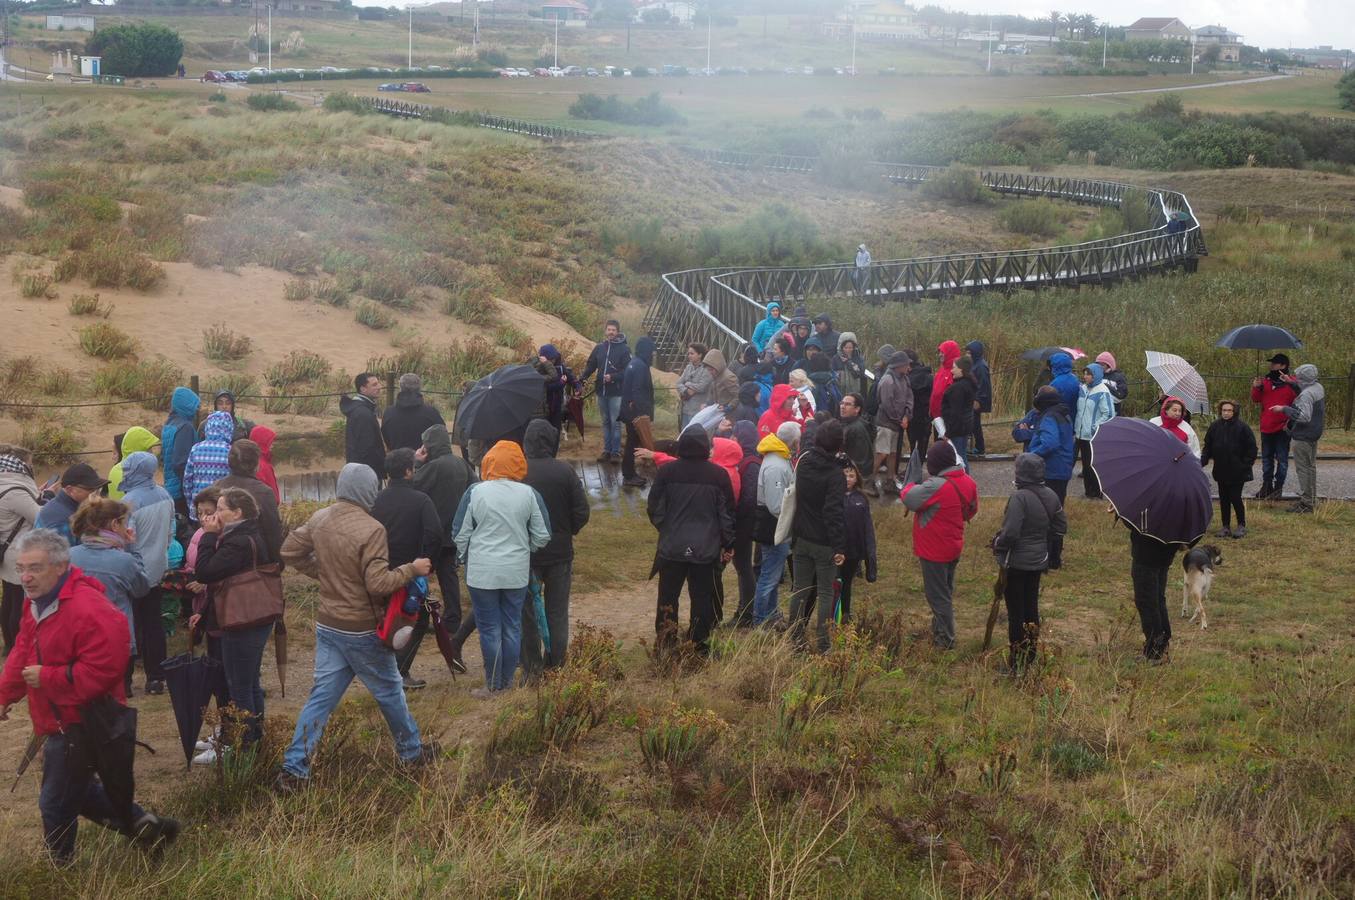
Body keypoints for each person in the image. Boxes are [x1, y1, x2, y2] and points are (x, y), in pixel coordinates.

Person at [0, 529, 179, 864]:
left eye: (35, 568)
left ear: (61, 566)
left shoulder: (91, 609)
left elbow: (104, 671)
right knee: (75, 792)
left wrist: (47, 677)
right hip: (56, 717)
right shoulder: (36, 603)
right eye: (21, 567)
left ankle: (59, 871)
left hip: (84, 720)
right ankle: (147, 827)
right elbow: (24, 648)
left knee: (54, 802)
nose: (25, 577)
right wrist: (5, 694)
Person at [276, 464, 436, 792]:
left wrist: (322, 574)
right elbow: (378, 584)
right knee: (391, 692)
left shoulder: (321, 518)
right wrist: (412, 568)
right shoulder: (372, 529)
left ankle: (294, 770)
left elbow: (289, 551)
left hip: (329, 624)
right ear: (369, 490)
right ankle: (412, 754)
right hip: (362, 629)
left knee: (321, 698)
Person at [452, 441, 550, 695]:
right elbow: (542, 535)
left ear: (488, 463)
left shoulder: (475, 492)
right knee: (512, 626)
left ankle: (493, 684)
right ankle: (506, 683)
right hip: (515, 572)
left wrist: (465, 557)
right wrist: (523, 548)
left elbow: (460, 533)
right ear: (520, 464)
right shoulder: (529, 494)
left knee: (489, 629)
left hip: (482, 573)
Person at [192, 487, 275, 746]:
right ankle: (254, 739)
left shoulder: (237, 542)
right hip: (254, 617)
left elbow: (205, 572)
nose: (214, 515)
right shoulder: (247, 534)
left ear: (237, 513)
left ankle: (245, 745)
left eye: (220, 509)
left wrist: (208, 536)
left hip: (242, 620)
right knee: (249, 683)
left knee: (240, 686)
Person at [646, 429, 734, 656]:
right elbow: (727, 515)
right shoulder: (718, 475)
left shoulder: (667, 471)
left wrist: (666, 528)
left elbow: (654, 507)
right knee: (702, 597)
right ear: (706, 446)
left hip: (672, 546)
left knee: (667, 596)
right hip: (705, 548)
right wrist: (727, 543)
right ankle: (698, 644)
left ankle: (666, 643)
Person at [521, 421, 590, 674]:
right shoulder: (565, 471)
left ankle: (532, 668)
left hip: (526, 553)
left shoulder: (518, 471)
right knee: (557, 611)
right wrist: (567, 531)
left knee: (527, 614)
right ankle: (557, 665)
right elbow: (582, 511)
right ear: (552, 442)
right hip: (560, 552)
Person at [371, 449, 443, 690]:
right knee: (416, 620)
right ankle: (400, 672)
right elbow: (435, 533)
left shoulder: (377, 499)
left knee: (384, 619)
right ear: (408, 472)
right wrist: (427, 561)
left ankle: (385, 670)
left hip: (380, 569)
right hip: (411, 571)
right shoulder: (421, 500)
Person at [900, 442, 979, 651]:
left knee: (938, 596)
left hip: (935, 549)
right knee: (945, 591)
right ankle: (938, 631)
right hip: (954, 545)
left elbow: (908, 497)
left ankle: (945, 640)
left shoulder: (936, 486)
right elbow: (971, 510)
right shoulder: (968, 481)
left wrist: (909, 482)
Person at [992, 453, 1067, 674]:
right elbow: (1061, 527)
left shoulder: (1019, 498)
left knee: (1016, 613)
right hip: (1038, 561)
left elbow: (1011, 533)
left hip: (1015, 562)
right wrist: (1042, 540)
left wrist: (998, 542)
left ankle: (1016, 663)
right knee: (1031, 608)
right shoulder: (1051, 495)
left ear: (1020, 474)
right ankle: (1031, 655)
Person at [68, 499, 149, 687]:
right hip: (115, 637)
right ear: (114, 524)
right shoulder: (123, 560)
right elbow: (141, 588)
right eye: (124, 522)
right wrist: (132, 547)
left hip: (78, 636)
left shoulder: (69, 556)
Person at [413, 424, 477, 649]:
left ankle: (418, 615)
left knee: (420, 573)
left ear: (429, 445)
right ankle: (452, 620)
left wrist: (417, 463)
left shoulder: (433, 467)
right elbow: (475, 487)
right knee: (448, 576)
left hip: (432, 532)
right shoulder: (461, 464)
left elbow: (413, 486)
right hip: (455, 532)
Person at [118, 452, 175, 696]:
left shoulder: (130, 501)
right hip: (157, 568)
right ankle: (156, 678)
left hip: (133, 571)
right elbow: (171, 531)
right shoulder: (165, 494)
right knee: (153, 624)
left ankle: (125, 682)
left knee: (128, 625)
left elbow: (126, 540)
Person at [789, 420, 847, 653]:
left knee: (800, 590)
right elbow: (833, 513)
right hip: (824, 541)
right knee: (825, 593)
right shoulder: (835, 475)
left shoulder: (803, 463)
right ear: (838, 445)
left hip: (801, 535)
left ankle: (795, 638)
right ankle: (823, 643)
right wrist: (839, 546)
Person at [184, 487, 230, 765]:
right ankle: (222, 731)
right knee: (216, 676)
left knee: (226, 680)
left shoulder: (223, 539)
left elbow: (215, 575)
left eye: (209, 513)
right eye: (199, 513)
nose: (203, 519)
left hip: (225, 619)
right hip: (209, 612)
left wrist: (205, 581)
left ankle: (228, 737)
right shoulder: (207, 535)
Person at [753, 422, 800, 627]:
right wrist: (792, 520)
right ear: (795, 442)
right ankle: (760, 620)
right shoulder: (775, 465)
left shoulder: (780, 458)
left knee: (773, 573)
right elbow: (775, 505)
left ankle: (771, 614)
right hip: (774, 527)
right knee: (769, 575)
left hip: (777, 526)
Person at [212, 439, 284, 566]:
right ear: (256, 464)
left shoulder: (217, 486)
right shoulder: (264, 492)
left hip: (221, 557)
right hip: (254, 560)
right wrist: (278, 561)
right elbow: (272, 531)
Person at [0, 446, 40, 656]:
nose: (31, 467)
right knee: (17, 601)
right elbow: (39, 517)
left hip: (5, 550)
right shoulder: (16, 491)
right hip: (18, 551)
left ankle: (8, 643)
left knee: (8, 597)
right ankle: (15, 646)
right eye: (30, 463)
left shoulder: (4, 483)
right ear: (21, 465)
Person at [1201, 400, 1258, 538]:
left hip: (1238, 471)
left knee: (1235, 497)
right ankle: (1225, 526)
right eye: (1224, 410)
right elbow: (1208, 445)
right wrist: (1203, 461)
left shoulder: (1243, 428)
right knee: (1224, 498)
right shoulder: (1215, 426)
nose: (1226, 413)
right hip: (1221, 469)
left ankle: (1241, 525)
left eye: (1229, 410)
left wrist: (1245, 465)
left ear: (1234, 412)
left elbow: (1252, 448)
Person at [578, 320, 631, 465]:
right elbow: (590, 366)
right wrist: (582, 379)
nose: (611, 332)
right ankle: (607, 450)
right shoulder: (599, 348)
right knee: (606, 422)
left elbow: (628, 371)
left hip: (616, 392)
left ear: (618, 332)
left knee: (615, 422)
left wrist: (613, 377)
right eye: (609, 330)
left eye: (614, 330)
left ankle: (615, 452)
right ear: (605, 331)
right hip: (601, 390)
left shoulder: (624, 349)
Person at [1275, 364, 1324, 514]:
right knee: (1311, 467)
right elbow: (1304, 390)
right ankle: (1311, 498)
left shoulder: (1307, 395)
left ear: (1303, 378)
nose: (1296, 378)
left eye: (1298, 377)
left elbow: (1304, 416)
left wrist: (1284, 409)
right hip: (1314, 433)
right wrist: (1291, 382)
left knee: (1303, 469)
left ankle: (1306, 504)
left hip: (1303, 436)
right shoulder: (1318, 387)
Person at [1251, 353, 1299, 500]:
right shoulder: (1265, 381)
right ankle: (1266, 486)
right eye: (1271, 363)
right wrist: (1256, 388)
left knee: (1282, 460)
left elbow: (1297, 403)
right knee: (1266, 458)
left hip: (1283, 428)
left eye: (1275, 363)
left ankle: (1278, 488)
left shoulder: (1293, 383)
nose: (1271, 365)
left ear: (1283, 366)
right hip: (1267, 426)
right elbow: (1256, 399)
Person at [1127, 526, 1178, 663]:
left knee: (1147, 601)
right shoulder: (1181, 507)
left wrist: (1119, 514)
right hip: (1165, 553)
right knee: (1157, 599)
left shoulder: (1152, 505)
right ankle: (1162, 644)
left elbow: (1136, 523)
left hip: (1146, 554)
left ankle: (1154, 651)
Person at [1016, 386, 1076, 503]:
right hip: (1064, 466)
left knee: (1047, 505)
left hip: (1052, 469)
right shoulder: (1064, 413)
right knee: (1057, 503)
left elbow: (1050, 443)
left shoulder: (1049, 417)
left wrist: (1030, 456)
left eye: (1037, 395)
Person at [728, 421, 762, 628]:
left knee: (743, 567)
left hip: (743, 524)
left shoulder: (750, 464)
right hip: (742, 523)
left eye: (734, 435)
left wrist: (735, 517)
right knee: (742, 567)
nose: (732, 439)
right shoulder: (746, 460)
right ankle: (745, 611)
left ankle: (746, 613)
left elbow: (749, 499)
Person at [838, 462, 877, 626]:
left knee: (846, 584)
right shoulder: (833, 495)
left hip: (854, 551)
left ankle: (845, 615)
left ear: (857, 478)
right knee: (835, 583)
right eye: (844, 475)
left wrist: (869, 557)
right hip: (836, 550)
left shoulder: (861, 498)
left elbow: (868, 529)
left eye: (851, 475)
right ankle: (833, 615)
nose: (848, 479)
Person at [35, 463, 106, 548]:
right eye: (90, 489)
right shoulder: (62, 521)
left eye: (98, 489)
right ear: (70, 489)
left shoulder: (61, 507)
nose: (96, 494)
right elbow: (64, 558)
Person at [183, 411, 235, 520]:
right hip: (221, 508)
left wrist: (191, 504)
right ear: (229, 428)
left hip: (200, 507)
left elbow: (187, 480)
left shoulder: (196, 449)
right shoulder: (230, 451)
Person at [1074, 362, 1115, 499]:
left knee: (1092, 465)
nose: (1085, 376)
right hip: (1080, 433)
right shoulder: (1083, 389)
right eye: (1084, 373)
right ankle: (1088, 492)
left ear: (1095, 375)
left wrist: (1094, 426)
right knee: (1085, 466)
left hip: (1092, 435)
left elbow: (1108, 414)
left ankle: (1097, 493)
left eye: (1088, 374)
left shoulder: (1102, 391)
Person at [620, 336, 656, 489]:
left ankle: (630, 473)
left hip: (629, 412)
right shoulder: (640, 366)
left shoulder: (634, 363)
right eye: (652, 352)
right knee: (632, 445)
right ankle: (629, 475)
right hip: (636, 414)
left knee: (631, 444)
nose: (653, 355)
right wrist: (643, 415)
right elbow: (638, 391)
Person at [874, 352, 913, 493]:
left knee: (892, 454)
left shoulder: (905, 379)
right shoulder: (887, 380)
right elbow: (886, 404)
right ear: (899, 365)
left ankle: (890, 481)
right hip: (885, 423)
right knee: (881, 453)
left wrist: (906, 416)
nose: (909, 366)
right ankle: (868, 482)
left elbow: (909, 398)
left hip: (897, 424)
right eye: (906, 364)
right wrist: (899, 419)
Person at [162, 386, 201, 521]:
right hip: (181, 491)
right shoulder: (185, 427)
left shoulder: (170, 424)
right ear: (186, 405)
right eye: (194, 405)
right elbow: (180, 463)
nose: (197, 409)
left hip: (170, 486)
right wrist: (190, 486)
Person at [380, 373, 445, 453]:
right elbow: (442, 437)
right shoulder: (431, 413)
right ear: (419, 388)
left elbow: (386, 439)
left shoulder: (388, 413)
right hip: (426, 460)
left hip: (398, 460)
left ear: (400, 387)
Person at [341, 372, 387, 481]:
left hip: (360, 470)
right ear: (363, 389)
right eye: (374, 385)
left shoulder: (362, 409)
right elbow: (366, 447)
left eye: (378, 383)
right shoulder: (363, 413)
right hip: (367, 474)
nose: (380, 387)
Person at [940, 355, 977, 466]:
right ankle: (965, 480)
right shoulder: (969, 384)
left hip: (957, 429)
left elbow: (955, 413)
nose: (952, 370)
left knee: (958, 457)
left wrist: (948, 433)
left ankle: (963, 481)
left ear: (961, 369)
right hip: (965, 426)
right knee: (962, 455)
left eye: (954, 367)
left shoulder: (958, 388)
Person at [106, 427, 159, 500]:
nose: (151, 453)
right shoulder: (133, 473)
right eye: (148, 449)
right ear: (139, 449)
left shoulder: (117, 469)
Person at [536, 344, 577, 435]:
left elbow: (570, 377)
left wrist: (577, 386)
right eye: (550, 359)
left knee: (555, 429)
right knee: (544, 429)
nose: (553, 361)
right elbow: (546, 387)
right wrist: (561, 383)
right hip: (544, 405)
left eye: (554, 358)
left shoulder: (560, 367)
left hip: (557, 403)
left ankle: (554, 446)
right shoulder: (539, 369)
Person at [838, 392, 873, 492]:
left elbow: (860, 460)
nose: (842, 407)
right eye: (842, 403)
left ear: (857, 409)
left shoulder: (856, 429)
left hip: (854, 475)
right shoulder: (849, 423)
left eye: (848, 404)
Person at [675, 342, 713, 431]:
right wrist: (686, 390)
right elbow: (678, 383)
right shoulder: (688, 367)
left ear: (700, 355)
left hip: (698, 410)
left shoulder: (706, 370)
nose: (689, 356)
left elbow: (701, 386)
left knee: (695, 436)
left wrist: (687, 384)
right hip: (685, 408)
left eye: (692, 353)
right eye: (688, 353)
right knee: (684, 435)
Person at [906, 349, 934, 463]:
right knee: (923, 442)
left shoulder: (907, 378)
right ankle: (919, 467)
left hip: (912, 414)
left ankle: (912, 467)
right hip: (925, 413)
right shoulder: (928, 375)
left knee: (913, 442)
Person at [965, 341, 992, 457]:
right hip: (972, 398)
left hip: (977, 400)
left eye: (969, 353)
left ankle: (980, 448)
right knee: (973, 423)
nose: (967, 355)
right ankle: (975, 446)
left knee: (975, 424)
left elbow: (983, 385)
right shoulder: (974, 364)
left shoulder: (981, 366)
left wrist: (978, 400)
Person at [929, 340, 962, 423]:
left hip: (949, 418)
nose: (940, 354)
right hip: (937, 418)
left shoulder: (957, 372)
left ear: (950, 352)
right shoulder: (942, 370)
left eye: (942, 352)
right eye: (940, 352)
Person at [249, 424, 280, 501]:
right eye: (270, 442)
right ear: (262, 443)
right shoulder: (261, 465)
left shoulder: (252, 461)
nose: (272, 446)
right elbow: (271, 494)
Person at [1096, 352, 1129, 416]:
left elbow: (1121, 396)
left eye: (1102, 365)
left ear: (1109, 365)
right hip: (1098, 414)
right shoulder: (1096, 376)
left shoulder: (1118, 377)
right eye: (1098, 364)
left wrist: (1106, 387)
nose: (1100, 367)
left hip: (1114, 412)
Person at [1048, 352, 1081, 417]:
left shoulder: (1055, 384)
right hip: (1075, 416)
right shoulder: (1075, 379)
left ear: (1055, 366)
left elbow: (1049, 404)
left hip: (1060, 418)